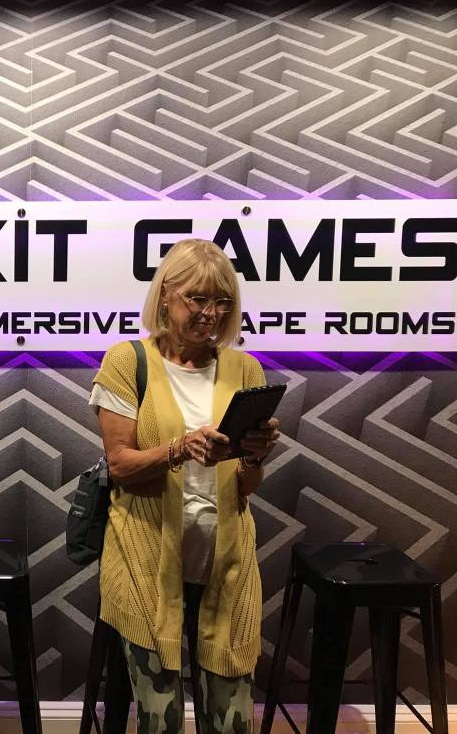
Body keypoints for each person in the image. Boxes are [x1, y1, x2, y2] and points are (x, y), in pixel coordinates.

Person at [91, 239, 280, 734]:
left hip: (227, 566)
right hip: (145, 561)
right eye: (198, 298)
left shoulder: (245, 370)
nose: (210, 313)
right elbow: (120, 465)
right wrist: (179, 448)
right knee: (161, 722)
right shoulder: (127, 361)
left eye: (222, 301)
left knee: (232, 722)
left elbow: (247, 486)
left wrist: (255, 454)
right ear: (166, 295)